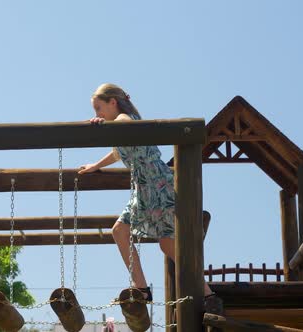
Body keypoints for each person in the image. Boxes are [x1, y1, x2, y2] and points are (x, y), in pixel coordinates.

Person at [78, 84, 224, 319]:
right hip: (144, 189)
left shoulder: (127, 119)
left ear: (113, 103)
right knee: (127, 233)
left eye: (99, 108)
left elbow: (124, 123)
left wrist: (103, 125)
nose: (97, 114)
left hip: (158, 186)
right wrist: (95, 166)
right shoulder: (121, 129)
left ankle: (207, 295)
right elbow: (117, 153)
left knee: (162, 243)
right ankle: (145, 289)